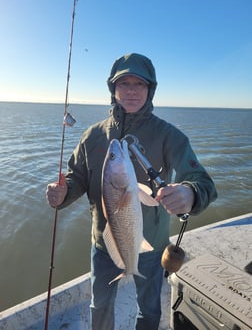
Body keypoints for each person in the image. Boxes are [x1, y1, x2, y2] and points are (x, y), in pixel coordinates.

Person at [46, 53, 217, 330]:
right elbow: (76, 177)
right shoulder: (92, 136)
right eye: (124, 83)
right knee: (99, 304)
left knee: (149, 308)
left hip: (150, 245)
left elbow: (202, 182)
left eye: (140, 84)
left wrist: (190, 193)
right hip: (103, 244)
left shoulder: (169, 135)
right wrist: (62, 193)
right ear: (113, 90)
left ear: (151, 90)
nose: (131, 91)